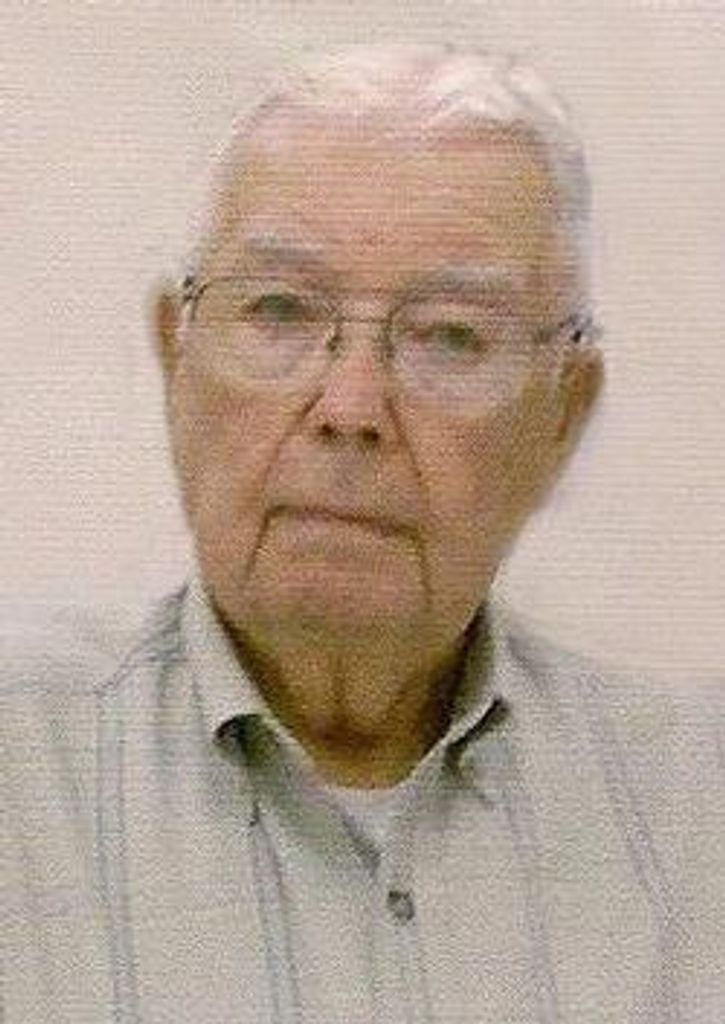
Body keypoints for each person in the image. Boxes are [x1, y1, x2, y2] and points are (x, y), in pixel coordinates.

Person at [3, 43, 722, 1024]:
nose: (349, 407)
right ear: (176, 357)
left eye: (450, 335)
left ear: (562, 415)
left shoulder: (694, 809)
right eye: (279, 311)